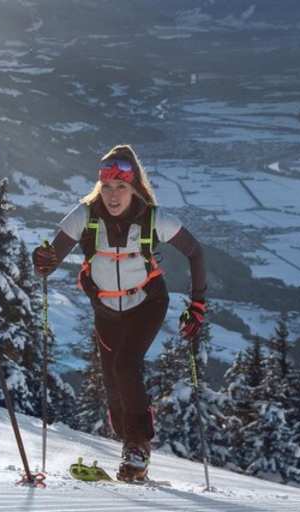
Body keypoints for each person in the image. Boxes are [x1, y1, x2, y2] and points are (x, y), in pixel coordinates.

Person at [32, 145, 208, 482]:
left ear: (134, 188)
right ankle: (129, 441)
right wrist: (42, 260)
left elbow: (195, 252)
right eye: (108, 186)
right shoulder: (84, 215)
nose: (113, 195)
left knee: (127, 364)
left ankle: (138, 446)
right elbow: (51, 257)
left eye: (121, 187)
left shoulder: (153, 218)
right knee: (113, 382)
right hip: (106, 309)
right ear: (100, 186)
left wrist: (197, 305)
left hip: (148, 303)